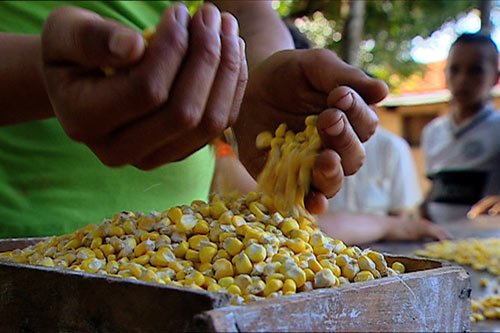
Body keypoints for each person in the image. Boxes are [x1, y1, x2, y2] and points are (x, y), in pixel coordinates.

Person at [0, 1, 387, 237]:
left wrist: (256, 70)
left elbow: (248, 9)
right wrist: (40, 76)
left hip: (185, 241)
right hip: (20, 233)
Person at [318, 126, 451, 245]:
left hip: (379, 249)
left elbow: (401, 214)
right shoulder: (309, 150)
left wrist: (398, 227)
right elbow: (314, 227)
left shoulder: (391, 146)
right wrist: (395, 227)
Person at [420, 32, 500, 223]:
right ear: (445, 74)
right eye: (455, 70)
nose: (463, 79)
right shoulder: (432, 131)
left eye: (475, 70)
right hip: (439, 241)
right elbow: (435, 186)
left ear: (495, 78)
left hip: (487, 243)